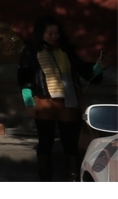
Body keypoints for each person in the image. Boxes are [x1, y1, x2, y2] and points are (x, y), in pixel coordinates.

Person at [18, 19, 104, 181]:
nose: (53, 37)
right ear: (41, 33)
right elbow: (25, 79)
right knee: (45, 141)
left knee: (71, 142)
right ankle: (45, 177)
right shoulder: (31, 52)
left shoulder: (66, 50)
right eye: (49, 33)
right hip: (44, 102)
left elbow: (85, 71)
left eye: (56, 33)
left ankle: (72, 177)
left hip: (69, 103)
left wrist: (100, 66)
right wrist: (29, 103)